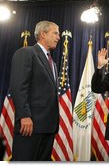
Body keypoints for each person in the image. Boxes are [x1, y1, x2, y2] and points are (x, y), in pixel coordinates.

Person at [9, 21, 60, 161]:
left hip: (48, 126)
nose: (58, 37)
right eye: (55, 33)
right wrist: (24, 115)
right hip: (30, 124)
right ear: (43, 34)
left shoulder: (53, 63)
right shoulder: (26, 53)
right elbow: (19, 87)